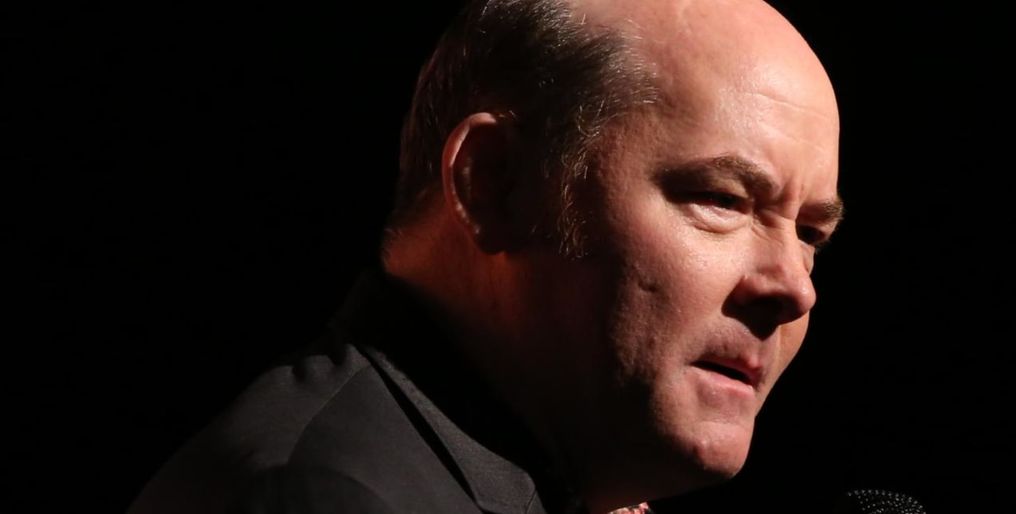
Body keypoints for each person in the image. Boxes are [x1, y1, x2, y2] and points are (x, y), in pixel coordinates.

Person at [128, 0, 843, 512]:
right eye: (722, 200)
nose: (794, 289)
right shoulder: (329, 496)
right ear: (493, 185)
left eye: (811, 234)